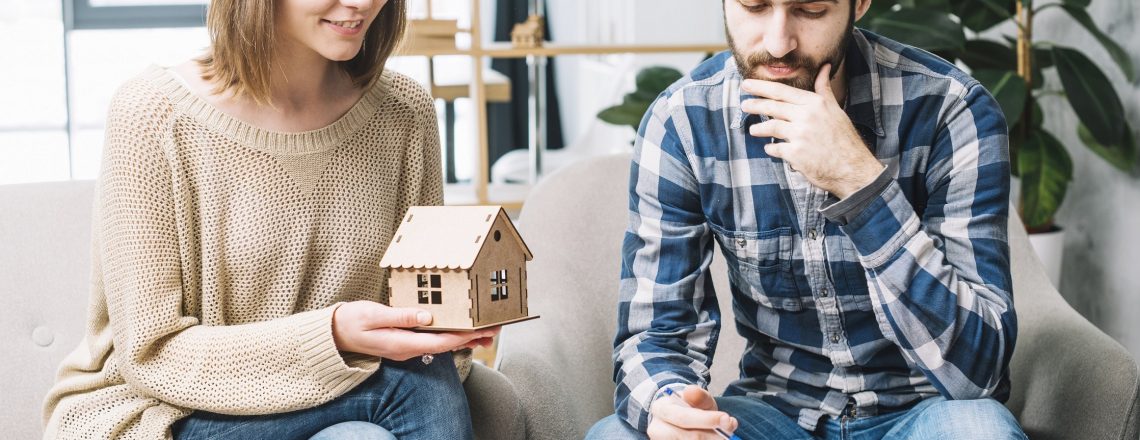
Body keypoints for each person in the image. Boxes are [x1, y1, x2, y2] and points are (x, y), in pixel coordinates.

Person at [41, 0, 498, 439]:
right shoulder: (152, 116)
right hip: (162, 412)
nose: (361, 2)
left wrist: (448, 327)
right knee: (414, 384)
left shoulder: (405, 114)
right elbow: (151, 353)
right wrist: (332, 336)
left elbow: (417, 303)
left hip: (348, 398)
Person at [589, 0, 1027, 439]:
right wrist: (671, 408)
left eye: (811, 9)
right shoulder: (681, 121)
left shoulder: (951, 109)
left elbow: (980, 372)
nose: (779, 42)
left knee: (981, 431)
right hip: (771, 413)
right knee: (618, 436)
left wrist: (859, 182)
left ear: (859, 4)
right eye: (755, 6)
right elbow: (657, 334)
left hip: (925, 412)